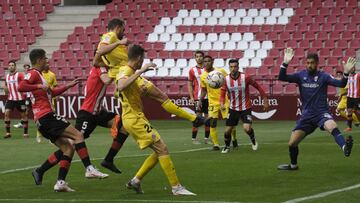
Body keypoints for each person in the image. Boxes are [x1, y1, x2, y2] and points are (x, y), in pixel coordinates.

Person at [18, 49, 107, 192]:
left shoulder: (40, 75)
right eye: (45, 58)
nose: (48, 61)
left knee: (68, 148)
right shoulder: (34, 73)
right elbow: (21, 86)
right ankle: (89, 168)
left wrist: (68, 86)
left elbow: (51, 93)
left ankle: (56, 181)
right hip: (46, 116)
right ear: (39, 60)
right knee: (78, 135)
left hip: (41, 121)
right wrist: (39, 86)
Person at [116, 44, 198, 195]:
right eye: (143, 59)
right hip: (134, 119)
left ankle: (136, 181)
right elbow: (121, 86)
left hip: (134, 117)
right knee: (162, 149)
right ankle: (176, 188)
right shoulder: (128, 71)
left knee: (159, 150)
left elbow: (122, 90)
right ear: (139, 58)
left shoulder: (126, 71)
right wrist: (141, 71)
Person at [277, 48, 356, 170]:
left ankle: (345, 147)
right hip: (307, 116)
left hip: (321, 113)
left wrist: (345, 73)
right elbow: (282, 77)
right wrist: (285, 62)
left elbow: (340, 84)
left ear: (317, 63)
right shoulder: (300, 75)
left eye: (312, 63)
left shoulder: (323, 76)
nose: (309, 65)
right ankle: (293, 165)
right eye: (308, 63)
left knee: (332, 125)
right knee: (292, 143)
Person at [74, 64, 128, 174]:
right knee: (71, 144)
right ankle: (43, 170)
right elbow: (107, 80)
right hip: (88, 114)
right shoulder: (99, 68)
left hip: (98, 113)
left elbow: (90, 94)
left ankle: (108, 160)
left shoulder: (95, 71)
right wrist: (118, 72)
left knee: (124, 127)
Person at [220, 59, 269, 153]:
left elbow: (258, 87)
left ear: (238, 67)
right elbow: (222, 93)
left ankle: (253, 141)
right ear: (229, 68)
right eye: (231, 67)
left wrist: (265, 100)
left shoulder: (245, 77)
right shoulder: (225, 79)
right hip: (233, 108)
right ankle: (227, 146)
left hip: (246, 107)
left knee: (247, 128)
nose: (233, 69)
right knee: (227, 131)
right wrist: (222, 103)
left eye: (235, 67)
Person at [198, 55, 235, 150]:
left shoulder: (221, 71)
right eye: (205, 61)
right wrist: (200, 100)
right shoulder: (202, 76)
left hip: (224, 101)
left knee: (229, 122)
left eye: (208, 61)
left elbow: (229, 81)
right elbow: (203, 90)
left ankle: (234, 139)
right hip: (212, 102)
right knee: (212, 122)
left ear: (212, 61)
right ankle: (216, 145)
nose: (206, 63)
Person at [187, 50, 210, 144]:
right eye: (197, 56)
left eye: (200, 56)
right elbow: (189, 84)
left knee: (208, 118)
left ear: (203, 57)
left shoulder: (208, 69)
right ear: (195, 58)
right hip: (197, 97)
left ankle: (206, 139)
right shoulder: (192, 70)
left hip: (209, 97)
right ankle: (194, 139)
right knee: (198, 118)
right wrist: (191, 97)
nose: (199, 58)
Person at [3, 60, 29, 138]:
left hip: (20, 99)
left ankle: (25, 133)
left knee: (23, 115)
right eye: (9, 65)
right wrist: (5, 89)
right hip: (10, 99)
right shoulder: (6, 76)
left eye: (12, 65)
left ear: (15, 67)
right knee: (6, 114)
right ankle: (8, 133)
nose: (11, 66)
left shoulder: (20, 75)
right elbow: (6, 86)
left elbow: (25, 83)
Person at [35, 65, 59, 143]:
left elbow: (55, 86)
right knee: (40, 118)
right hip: (41, 100)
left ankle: (51, 136)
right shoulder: (39, 75)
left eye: (49, 64)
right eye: (46, 63)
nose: (47, 65)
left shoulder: (52, 74)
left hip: (50, 99)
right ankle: (39, 135)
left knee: (52, 117)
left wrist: (57, 95)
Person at [13, 64, 32, 129]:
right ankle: (22, 123)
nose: (26, 69)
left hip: (31, 96)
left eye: (28, 68)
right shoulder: (23, 76)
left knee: (26, 110)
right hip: (27, 97)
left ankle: (21, 123)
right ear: (24, 69)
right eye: (25, 68)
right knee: (25, 110)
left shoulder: (30, 76)